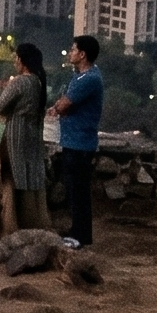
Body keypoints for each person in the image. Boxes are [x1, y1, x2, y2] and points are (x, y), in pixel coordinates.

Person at [52, 35, 104, 247]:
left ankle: (79, 236)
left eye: (73, 49)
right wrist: (60, 107)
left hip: (79, 143)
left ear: (82, 54)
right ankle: (79, 232)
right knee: (76, 191)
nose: (70, 52)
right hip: (76, 141)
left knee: (78, 192)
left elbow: (64, 105)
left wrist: (58, 108)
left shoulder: (88, 79)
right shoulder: (82, 76)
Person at [0, 44, 50, 235]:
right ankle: (32, 221)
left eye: (16, 58)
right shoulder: (38, 81)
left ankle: (11, 225)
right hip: (30, 136)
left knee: (10, 178)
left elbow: (0, 106)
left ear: (23, 61)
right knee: (26, 178)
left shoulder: (19, 82)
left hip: (13, 136)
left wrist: (7, 88)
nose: (15, 61)